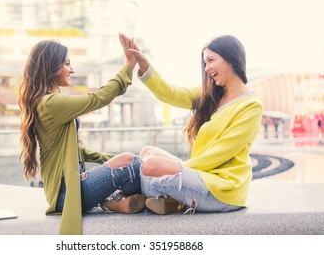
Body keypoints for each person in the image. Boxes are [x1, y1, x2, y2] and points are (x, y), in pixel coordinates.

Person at [18, 33, 145, 235]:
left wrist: (111, 160)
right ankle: (128, 199)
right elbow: (99, 98)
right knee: (134, 166)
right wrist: (129, 64)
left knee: (137, 160)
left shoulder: (47, 102)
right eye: (67, 63)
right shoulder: (50, 103)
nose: (72, 69)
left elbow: (78, 153)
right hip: (68, 195)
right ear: (51, 66)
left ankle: (112, 203)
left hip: (68, 190)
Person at [127, 35, 263, 215]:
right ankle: (167, 200)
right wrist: (144, 65)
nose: (206, 68)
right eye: (205, 63)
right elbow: (170, 94)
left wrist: (178, 170)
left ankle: (140, 198)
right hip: (200, 173)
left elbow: (220, 153)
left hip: (222, 188)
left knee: (151, 166)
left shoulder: (250, 106)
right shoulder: (210, 95)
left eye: (211, 60)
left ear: (230, 58)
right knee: (147, 152)